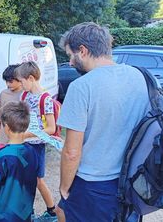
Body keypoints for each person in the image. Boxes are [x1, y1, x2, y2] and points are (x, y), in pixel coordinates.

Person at [55, 22, 150, 222]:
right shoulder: (140, 77)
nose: (70, 63)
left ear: (83, 50)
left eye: (70, 56)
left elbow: (72, 152)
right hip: (134, 180)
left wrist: (64, 188)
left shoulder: (81, 87)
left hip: (93, 185)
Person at [15, 61, 58, 220]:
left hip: (36, 147)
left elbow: (51, 128)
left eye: (21, 81)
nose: (20, 84)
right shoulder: (24, 95)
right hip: (24, 145)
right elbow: (20, 116)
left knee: (38, 180)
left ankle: (52, 211)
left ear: (31, 78)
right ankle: (28, 211)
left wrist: (28, 134)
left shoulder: (45, 99)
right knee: (24, 179)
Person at [0, 64, 24, 145]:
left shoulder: (25, 95)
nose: (8, 84)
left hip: (19, 137)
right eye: (6, 81)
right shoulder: (4, 93)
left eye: (11, 82)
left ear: (20, 80)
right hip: (3, 136)